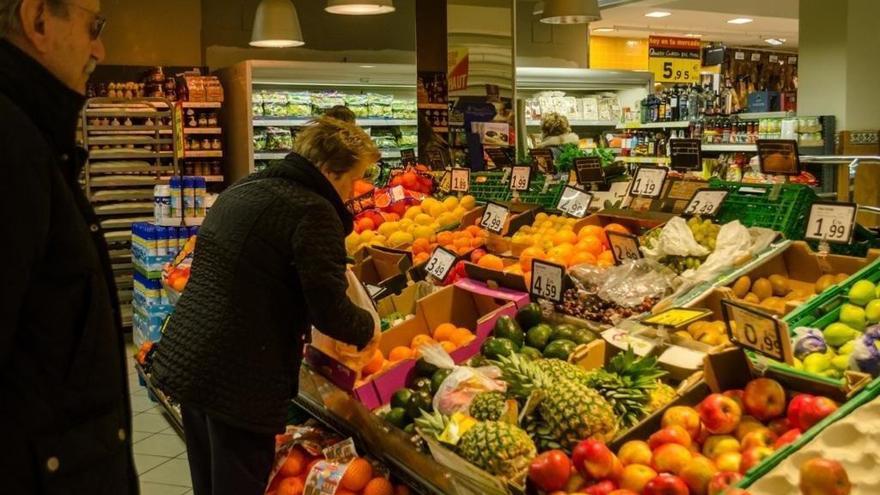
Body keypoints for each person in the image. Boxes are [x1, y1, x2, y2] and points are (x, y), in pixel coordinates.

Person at [152, 117, 378, 495]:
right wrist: (369, 326)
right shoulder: (313, 209)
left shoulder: (245, 188)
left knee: (209, 480)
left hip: (192, 358)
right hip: (240, 376)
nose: (355, 191)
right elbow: (330, 310)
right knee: (239, 481)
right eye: (354, 179)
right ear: (328, 171)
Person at [0, 1, 138, 494]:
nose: (100, 48)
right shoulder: (12, 149)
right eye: (93, 26)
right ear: (38, 19)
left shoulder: (35, 138)